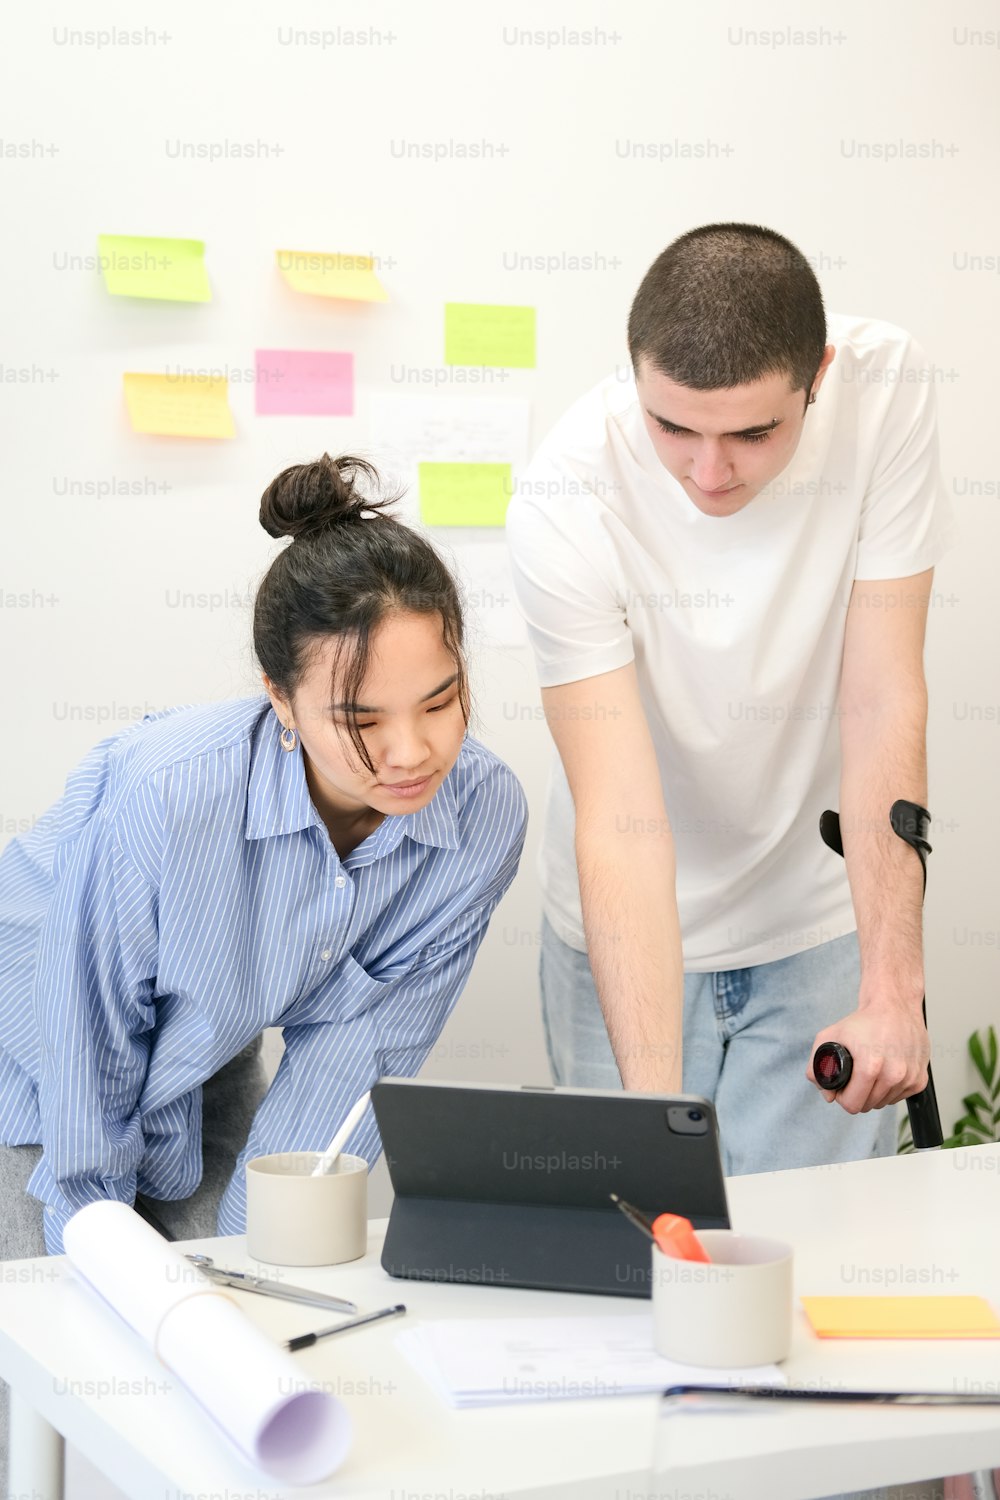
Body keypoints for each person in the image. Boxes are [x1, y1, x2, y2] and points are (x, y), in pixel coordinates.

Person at [0, 453, 526, 1469]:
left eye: (441, 700)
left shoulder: (482, 815)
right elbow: (88, 1027)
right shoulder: (170, 792)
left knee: (236, 1313)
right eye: (360, 720)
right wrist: (100, 1227)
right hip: (34, 1039)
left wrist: (250, 1282)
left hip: (202, 1048)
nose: (413, 751)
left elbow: (349, 1076)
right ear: (280, 705)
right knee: (65, 1365)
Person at [506, 222, 955, 1176]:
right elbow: (622, 821)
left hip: (815, 917)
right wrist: (651, 1120)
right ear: (633, 377)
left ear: (818, 376)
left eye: (754, 432)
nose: (710, 474)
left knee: (813, 1262)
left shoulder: (888, 393)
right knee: (644, 1242)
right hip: (621, 934)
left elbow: (882, 697)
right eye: (673, 428)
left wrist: (891, 990)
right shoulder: (564, 498)